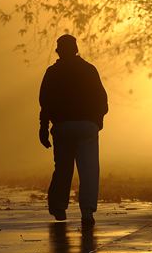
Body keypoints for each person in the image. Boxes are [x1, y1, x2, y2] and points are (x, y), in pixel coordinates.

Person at [38, 34, 108, 227]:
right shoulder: (89, 70)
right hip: (87, 126)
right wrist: (97, 122)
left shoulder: (52, 73)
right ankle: (87, 212)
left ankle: (59, 207)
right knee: (89, 169)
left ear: (59, 51)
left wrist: (44, 127)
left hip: (62, 126)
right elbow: (102, 100)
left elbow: (45, 103)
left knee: (62, 168)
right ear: (76, 50)